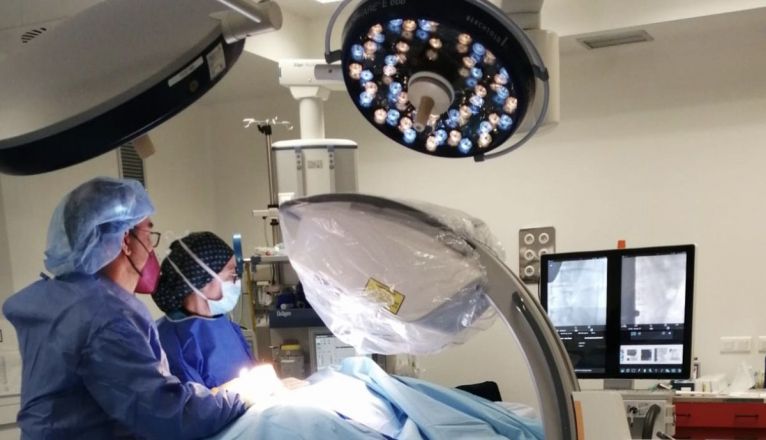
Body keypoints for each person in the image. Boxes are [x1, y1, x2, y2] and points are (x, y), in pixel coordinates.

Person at [2, 177, 247, 439]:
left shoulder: (60, 300)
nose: (152, 248)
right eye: (148, 235)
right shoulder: (105, 316)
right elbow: (167, 415)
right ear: (125, 241)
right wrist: (242, 395)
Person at [152, 232, 255, 388]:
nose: (236, 280)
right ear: (202, 277)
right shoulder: (173, 341)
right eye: (231, 273)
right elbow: (193, 401)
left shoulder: (223, 324)